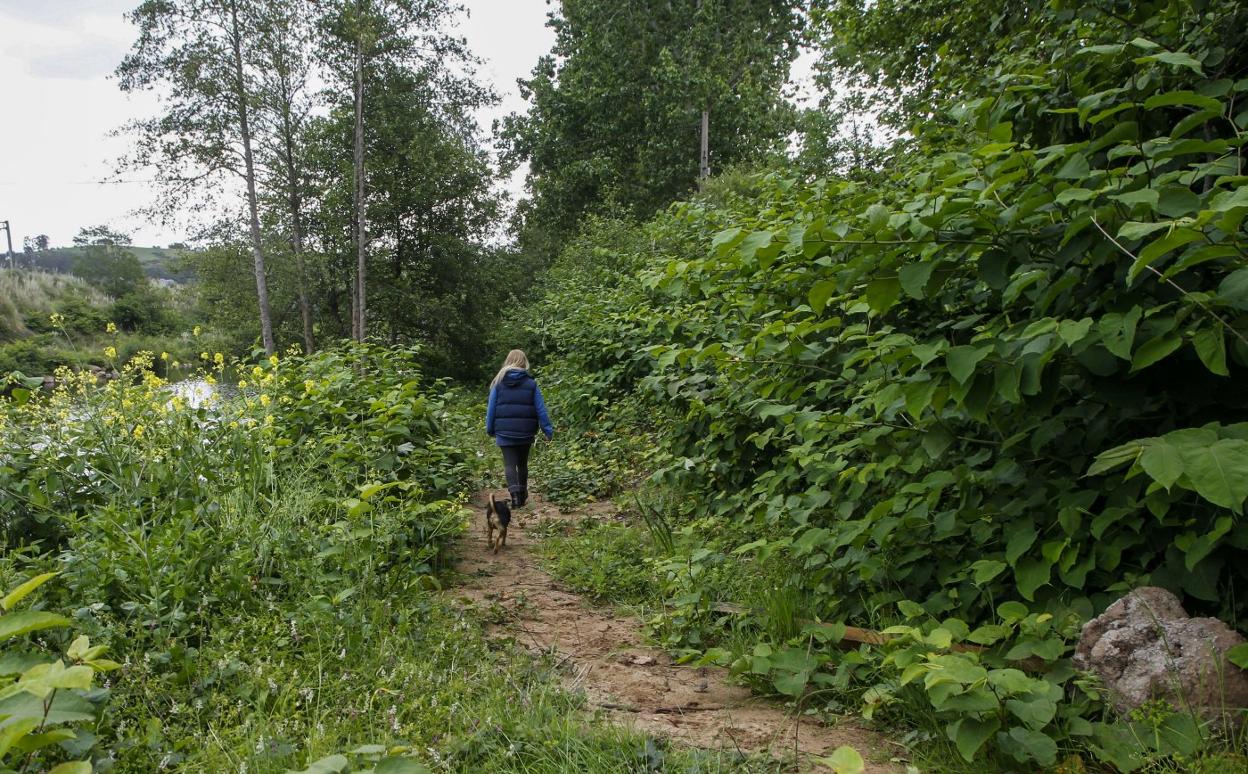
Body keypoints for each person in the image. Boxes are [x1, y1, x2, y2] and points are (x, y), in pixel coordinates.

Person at [485, 349, 553, 507]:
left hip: (504, 431)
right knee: (522, 464)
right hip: (526, 431)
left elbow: (491, 409)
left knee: (509, 464)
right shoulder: (531, 384)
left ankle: (514, 497)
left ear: (507, 361)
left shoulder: (498, 382)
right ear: (524, 362)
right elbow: (540, 409)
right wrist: (547, 430)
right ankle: (522, 496)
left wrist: (490, 429)